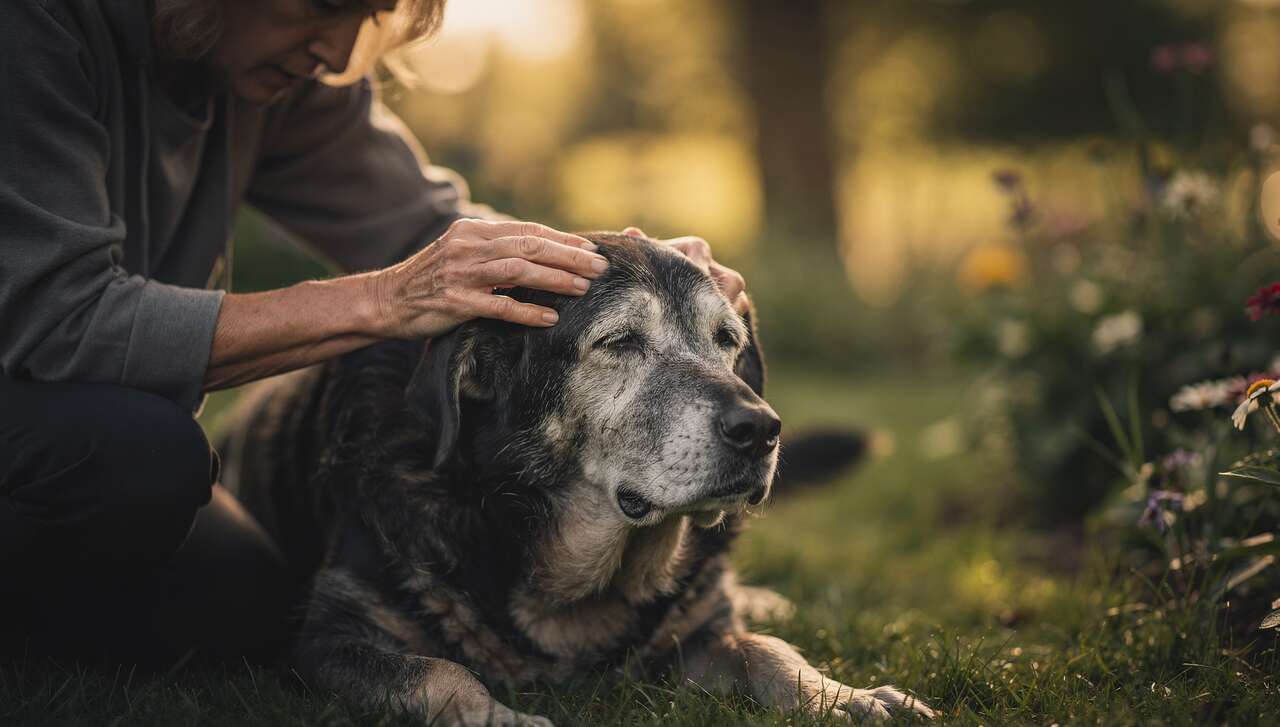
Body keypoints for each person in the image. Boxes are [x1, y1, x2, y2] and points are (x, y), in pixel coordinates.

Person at [0, 0, 747, 665]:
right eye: (323, 8)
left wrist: (636, 275)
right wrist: (386, 297)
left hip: (101, 430)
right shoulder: (31, 27)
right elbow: (59, 323)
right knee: (142, 455)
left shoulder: (272, 72)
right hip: (44, 408)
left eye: (370, 15)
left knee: (253, 607)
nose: (337, 50)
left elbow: (430, 229)